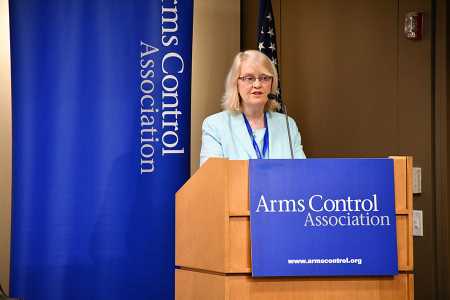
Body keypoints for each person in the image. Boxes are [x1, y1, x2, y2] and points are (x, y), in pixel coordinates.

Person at [200, 50, 306, 165]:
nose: (257, 85)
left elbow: (301, 173)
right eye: (249, 78)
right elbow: (211, 177)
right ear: (236, 83)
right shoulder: (215, 125)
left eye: (264, 78)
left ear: (272, 83)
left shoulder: (287, 125)